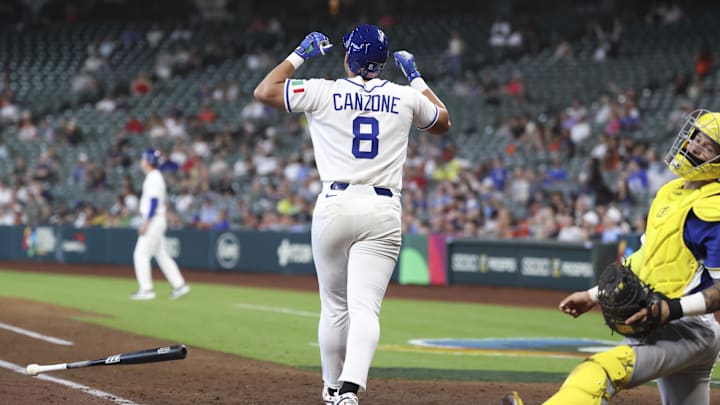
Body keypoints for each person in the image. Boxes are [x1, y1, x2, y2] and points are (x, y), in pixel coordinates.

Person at [254, 24, 450, 405]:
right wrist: (416, 78)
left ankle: (331, 388)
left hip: (334, 204)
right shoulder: (404, 96)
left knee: (334, 306)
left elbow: (265, 91)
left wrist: (300, 53)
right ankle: (349, 389)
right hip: (381, 208)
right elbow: (442, 122)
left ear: (348, 57)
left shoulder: (322, 90)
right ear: (380, 63)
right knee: (365, 309)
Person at [505, 109, 720, 405]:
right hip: (666, 323)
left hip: (688, 328)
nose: (694, 145)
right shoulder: (672, 193)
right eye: (695, 136)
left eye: (707, 145)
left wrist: (669, 310)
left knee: (599, 371)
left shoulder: (712, 210)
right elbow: (646, 259)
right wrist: (593, 294)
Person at [130, 149, 190, 300]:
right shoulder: (154, 177)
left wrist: (146, 222)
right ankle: (180, 285)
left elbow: (154, 202)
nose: (141, 161)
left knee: (140, 254)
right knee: (162, 255)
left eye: (143, 158)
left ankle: (147, 289)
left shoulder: (154, 177)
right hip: (157, 219)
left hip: (154, 220)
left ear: (148, 161)